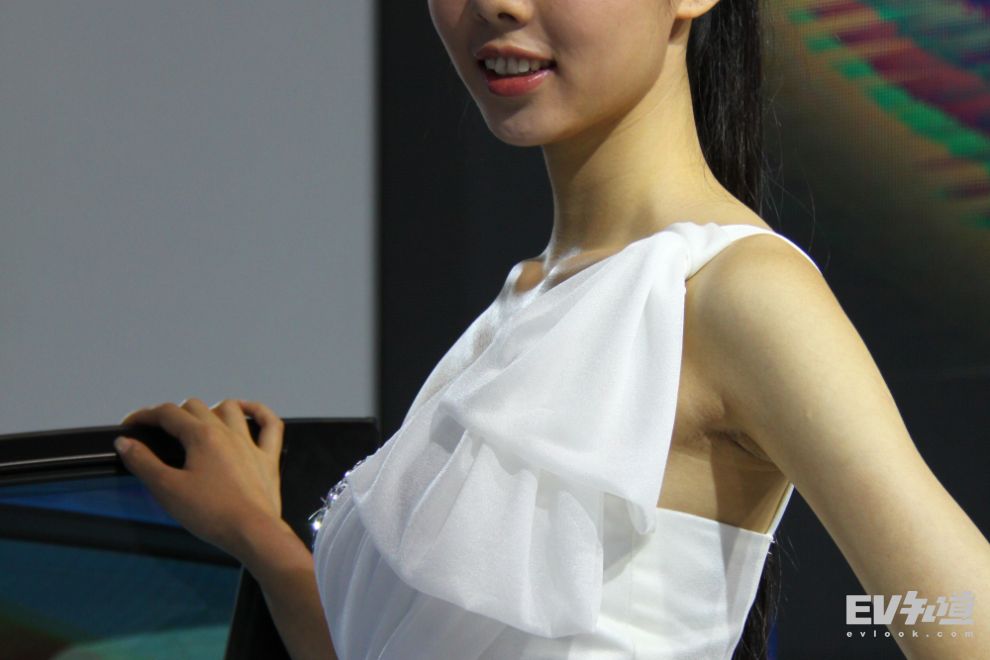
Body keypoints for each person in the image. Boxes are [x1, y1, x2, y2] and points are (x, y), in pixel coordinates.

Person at [114, 0, 990, 658]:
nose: (497, 5)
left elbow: (962, 618)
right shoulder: (526, 300)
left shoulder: (732, 292)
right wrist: (261, 538)